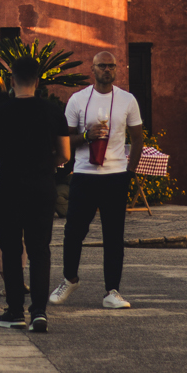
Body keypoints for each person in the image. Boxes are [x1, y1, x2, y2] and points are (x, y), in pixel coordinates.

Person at [0, 55, 68, 332]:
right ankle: (39, 312)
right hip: (41, 187)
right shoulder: (53, 111)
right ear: (37, 81)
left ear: (12, 80)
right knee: (40, 250)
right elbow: (64, 154)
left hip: (9, 187)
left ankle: (15, 310)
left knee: (12, 250)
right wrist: (44, 164)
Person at [53, 50, 148, 310]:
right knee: (73, 232)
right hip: (84, 174)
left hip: (115, 176)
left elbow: (137, 138)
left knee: (114, 236)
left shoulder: (127, 100)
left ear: (116, 69)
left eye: (111, 66)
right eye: (102, 66)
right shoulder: (78, 99)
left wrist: (130, 172)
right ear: (92, 69)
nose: (107, 70)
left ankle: (112, 291)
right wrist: (86, 136)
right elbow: (65, 139)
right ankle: (69, 279)